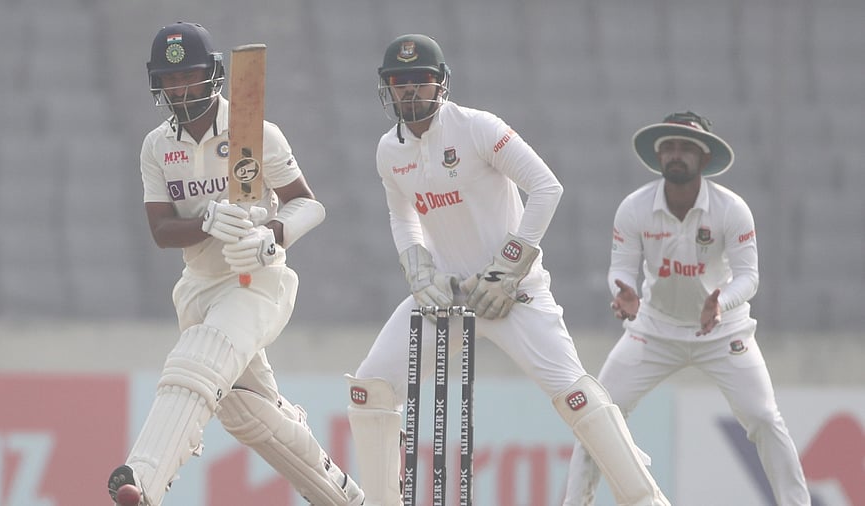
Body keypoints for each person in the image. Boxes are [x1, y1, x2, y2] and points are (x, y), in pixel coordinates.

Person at [344, 33, 670, 506]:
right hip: (447, 297)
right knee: (369, 391)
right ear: (387, 88)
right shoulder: (388, 151)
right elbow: (403, 215)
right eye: (400, 82)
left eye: (422, 81)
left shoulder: (477, 127)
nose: (410, 91)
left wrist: (508, 268)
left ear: (441, 85)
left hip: (513, 296)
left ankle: (647, 501)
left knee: (577, 397)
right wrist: (418, 269)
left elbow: (546, 187)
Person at [106, 21, 364, 506]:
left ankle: (143, 481)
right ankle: (344, 497)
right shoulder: (157, 146)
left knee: (199, 357)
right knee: (247, 411)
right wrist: (208, 221)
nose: (180, 88)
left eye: (191, 76)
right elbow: (161, 231)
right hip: (199, 286)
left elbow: (307, 204)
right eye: (170, 79)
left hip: (257, 281)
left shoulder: (256, 132)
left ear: (214, 75)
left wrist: (271, 236)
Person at [563, 111, 811, 505]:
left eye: (686, 148)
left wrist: (721, 302)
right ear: (659, 157)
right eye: (669, 148)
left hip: (723, 331)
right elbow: (621, 270)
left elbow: (749, 277)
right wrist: (623, 291)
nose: (676, 155)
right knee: (598, 417)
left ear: (704, 158)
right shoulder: (635, 207)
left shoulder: (731, 209)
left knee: (764, 417)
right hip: (654, 329)